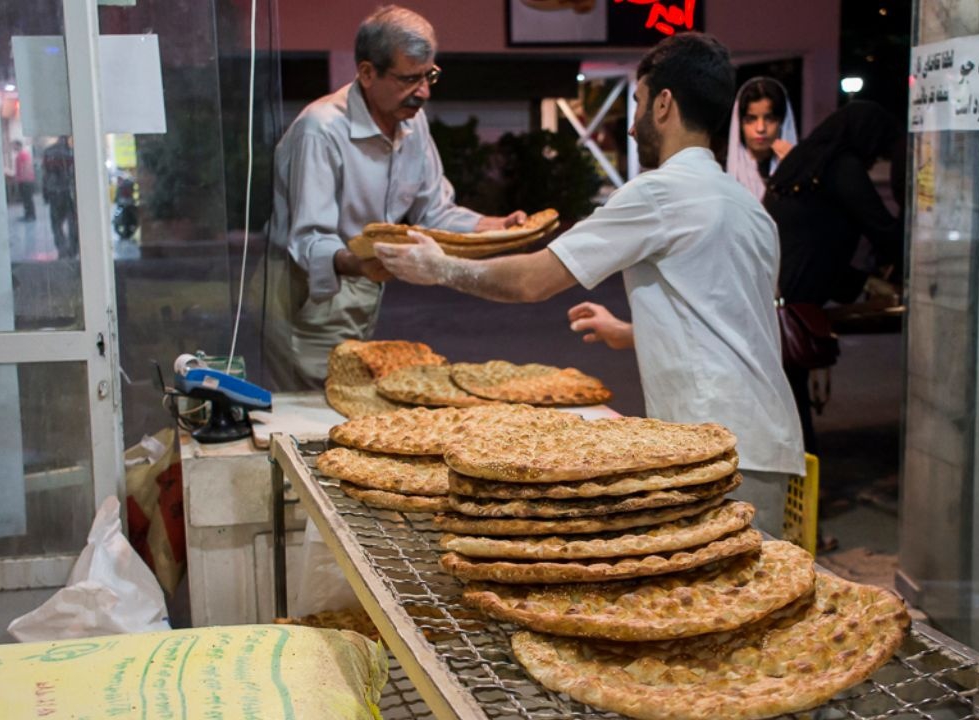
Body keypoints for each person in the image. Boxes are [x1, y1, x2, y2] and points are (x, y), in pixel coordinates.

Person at [374, 32, 805, 538]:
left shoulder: (662, 192)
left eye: (639, 104)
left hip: (712, 446)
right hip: (767, 443)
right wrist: (631, 330)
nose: (630, 124)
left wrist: (440, 267)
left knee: (708, 603)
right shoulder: (746, 206)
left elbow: (534, 280)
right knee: (752, 601)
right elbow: (730, 315)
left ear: (664, 104)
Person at [265, 4, 526, 389]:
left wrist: (495, 227)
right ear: (367, 73)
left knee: (351, 401)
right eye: (409, 80)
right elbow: (308, 239)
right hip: (310, 293)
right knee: (316, 410)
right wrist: (362, 263)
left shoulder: (411, 121)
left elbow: (434, 210)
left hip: (364, 281)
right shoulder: (321, 130)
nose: (422, 93)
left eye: (429, 76)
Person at [759, 101, 904, 455]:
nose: (875, 160)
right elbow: (882, 228)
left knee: (784, 397)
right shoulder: (842, 167)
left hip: (772, 289)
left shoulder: (800, 162)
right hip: (795, 299)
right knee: (793, 400)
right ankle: (799, 481)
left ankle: (792, 476)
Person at [724, 76, 797, 201]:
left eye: (769, 119)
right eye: (751, 119)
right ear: (739, 124)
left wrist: (792, 169)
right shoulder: (721, 170)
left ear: (782, 122)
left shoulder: (800, 170)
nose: (760, 128)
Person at [42, 136, 78, 257]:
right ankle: (73, 250)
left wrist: (45, 193)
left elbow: (45, 175)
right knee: (72, 222)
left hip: (54, 193)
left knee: (56, 224)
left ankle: (62, 249)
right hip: (68, 192)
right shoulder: (72, 152)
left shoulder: (49, 152)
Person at [12, 140, 37, 221]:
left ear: (18, 145)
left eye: (14, 146)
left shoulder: (23, 154)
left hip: (26, 180)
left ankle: (31, 216)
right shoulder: (21, 154)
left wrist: (23, 178)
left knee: (28, 199)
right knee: (26, 199)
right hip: (24, 180)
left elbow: (26, 167)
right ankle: (28, 215)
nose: (13, 148)